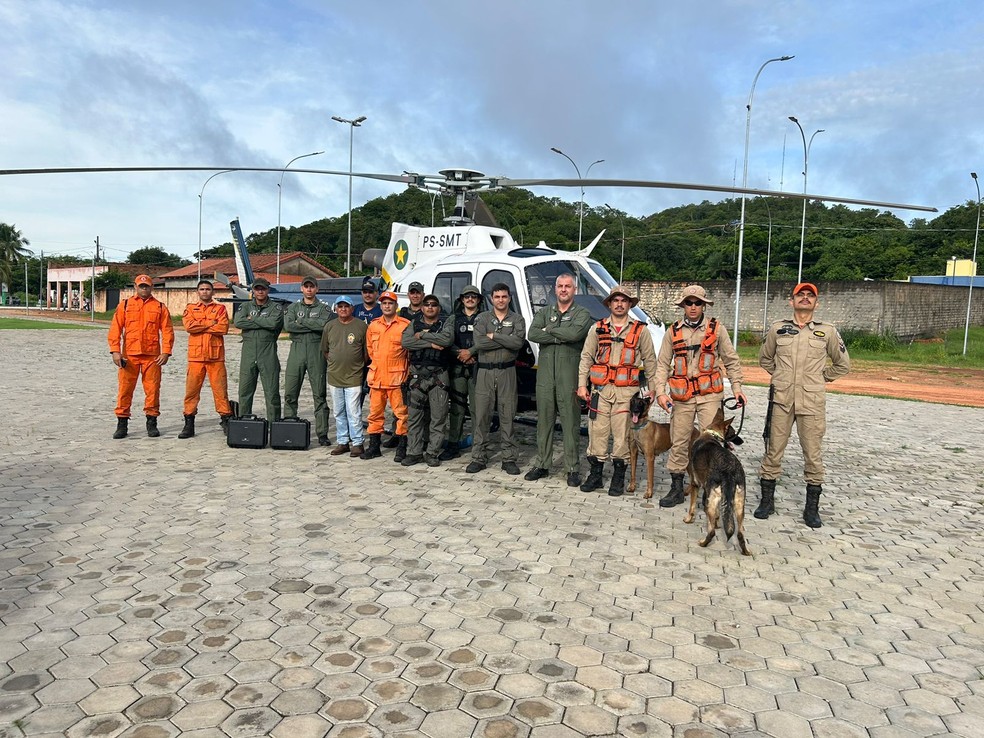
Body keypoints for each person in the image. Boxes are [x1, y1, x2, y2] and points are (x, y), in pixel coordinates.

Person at [756, 282, 851, 528]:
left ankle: (812, 509)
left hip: (811, 402)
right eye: (801, 295)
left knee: (813, 454)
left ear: (816, 304)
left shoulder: (827, 331)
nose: (805, 299)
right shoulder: (778, 329)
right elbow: (765, 358)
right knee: (773, 450)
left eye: (810, 296)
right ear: (792, 301)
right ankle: (767, 502)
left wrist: (821, 378)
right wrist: (780, 377)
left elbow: (843, 364)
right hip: (782, 400)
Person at [652, 284, 748, 508]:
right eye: (689, 303)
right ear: (683, 305)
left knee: (713, 443)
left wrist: (737, 388)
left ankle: (714, 488)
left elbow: (731, 360)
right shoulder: (673, 331)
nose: (693, 307)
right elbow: (662, 364)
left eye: (698, 303)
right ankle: (676, 488)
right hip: (682, 396)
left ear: (704, 305)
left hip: (709, 395)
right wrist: (660, 392)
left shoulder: (717, 329)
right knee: (679, 441)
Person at [576, 285, 659, 496]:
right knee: (597, 433)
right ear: (610, 304)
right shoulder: (597, 328)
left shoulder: (641, 330)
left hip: (626, 394)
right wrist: (582, 384)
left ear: (630, 304)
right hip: (600, 392)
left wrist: (653, 389)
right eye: (616, 300)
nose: (620, 304)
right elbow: (586, 357)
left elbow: (650, 360)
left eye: (624, 300)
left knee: (622, 436)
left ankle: (618, 478)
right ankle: (595, 475)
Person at [525, 273, 593, 486]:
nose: (564, 290)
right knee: (543, 421)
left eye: (568, 286)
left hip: (569, 375)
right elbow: (533, 334)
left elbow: (575, 335)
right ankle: (542, 464)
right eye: (560, 286)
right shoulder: (545, 311)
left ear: (575, 290)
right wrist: (559, 333)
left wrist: (550, 330)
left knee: (570, 422)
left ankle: (572, 468)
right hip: (545, 375)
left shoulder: (582, 313)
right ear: (555, 289)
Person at [466, 283, 526, 475]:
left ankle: (508, 458)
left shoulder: (517, 319)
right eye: (497, 296)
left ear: (509, 298)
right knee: (481, 416)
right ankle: (478, 457)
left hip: (507, 372)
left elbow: (517, 343)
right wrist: (502, 340)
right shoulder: (482, 318)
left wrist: (493, 335)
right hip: (484, 372)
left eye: (504, 296)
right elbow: (479, 342)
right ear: (492, 298)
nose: (501, 300)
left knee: (507, 415)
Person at [108, 274, 175, 439]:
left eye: (147, 286)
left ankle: (151, 423)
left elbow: (167, 331)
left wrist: (166, 352)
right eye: (141, 286)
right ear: (135, 287)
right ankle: (122, 424)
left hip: (152, 357)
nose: (144, 289)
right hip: (129, 356)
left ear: (152, 287)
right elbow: (115, 329)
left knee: (152, 390)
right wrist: (115, 351)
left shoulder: (160, 307)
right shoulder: (125, 305)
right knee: (125, 390)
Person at [400, 294, 454, 467]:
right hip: (417, 376)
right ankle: (414, 452)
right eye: (427, 304)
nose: (430, 307)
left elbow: (446, 340)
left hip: (439, 376)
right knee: (414, 417)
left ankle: (432, 453)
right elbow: (406, 342)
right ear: (422, 307)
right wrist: (431, 344)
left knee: (438, 417)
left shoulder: (445, 322)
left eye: (434, 304)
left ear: (438, 308)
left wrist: (422, 336)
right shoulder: (413, 323)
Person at [179, 279, 234, 439]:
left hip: (216, 358)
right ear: (198, 292)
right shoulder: (190, 308)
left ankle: (225, 419)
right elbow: (189, 327)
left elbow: (223, 328)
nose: (205, 292)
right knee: (191, 392)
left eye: (208, 289)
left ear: (213, 292)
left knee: (220, 391)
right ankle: (189, 423)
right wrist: (211, 323)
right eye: (202, 289)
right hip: (196, 358)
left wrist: (200, 324)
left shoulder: (220, 308)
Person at [284, 277, 334, 445]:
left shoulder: (324, 308)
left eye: (312, 287)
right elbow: (289, 326)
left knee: (319, 394)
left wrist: (301, 322)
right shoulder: (293, 307)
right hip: (296, 349)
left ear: (317, 289)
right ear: (301, 289)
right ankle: (289, 427)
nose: (309, 290)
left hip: (316, 350)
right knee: (291, 391)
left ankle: (322, 433)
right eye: (306, 287)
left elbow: (323, 326)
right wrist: (311, 324)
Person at [362, 291, 411, 460]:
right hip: (377, 378)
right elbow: (370, 350)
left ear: (396, 306)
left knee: (401, 414)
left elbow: (409, 353)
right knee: (374, 414)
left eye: (390, 303)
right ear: (380, 306)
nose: (387, 306)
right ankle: (374, 447)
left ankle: (402, 447)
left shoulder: (405, 325)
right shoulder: (374, 325)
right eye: (384, 303)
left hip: (397, 379)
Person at [321, 295, 368, 456]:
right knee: (338, 411)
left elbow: (366, 353)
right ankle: (342, 441)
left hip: (354, 376)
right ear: (336, 308)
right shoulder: (329, 326)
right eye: (340, 306)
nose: (343, 309)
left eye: (346, 306)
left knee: (353, 411)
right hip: (334, 376)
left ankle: (357, 442)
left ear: (352, 308)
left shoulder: (361, 326)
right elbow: (325, 350)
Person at [442, 285, 485, 460]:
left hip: (478, 368)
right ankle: (453, 444)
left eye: (473, 297)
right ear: (461, 299)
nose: (470, 299)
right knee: (457, 409)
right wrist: (460, 354)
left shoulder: (484, 318)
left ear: (478, 300)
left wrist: (472, 352)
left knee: (478, 410)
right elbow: (446, 340)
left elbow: (488, 340)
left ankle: (478, 446)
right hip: (458, 368)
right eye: (467, 296)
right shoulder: (453, 319)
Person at [233, 277, 285, 421]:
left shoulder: (276, 308)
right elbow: (238, 322)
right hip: (248, 351)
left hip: (267, 351)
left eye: (263, 289)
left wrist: (252, 320)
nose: (260, 291)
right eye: (257, 289)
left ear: (268, 290)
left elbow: (274, 324)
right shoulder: (245, 307)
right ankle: (244, 423)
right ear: (253, 291)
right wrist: (263, 322)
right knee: (245, 390)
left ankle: (274, 424)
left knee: (271, 391)